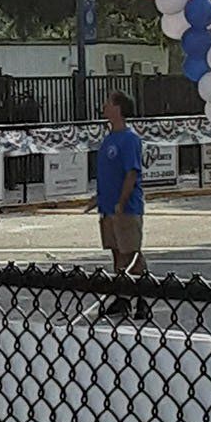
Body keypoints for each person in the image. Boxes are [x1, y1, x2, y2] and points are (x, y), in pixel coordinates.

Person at [84, 91, 149, 320]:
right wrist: (99, 199)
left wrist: (122, 201)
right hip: (107, 207)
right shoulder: (109, 139)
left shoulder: (129, 139)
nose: (104, 106)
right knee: (116, 252)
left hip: (126, 208)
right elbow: (109, 174)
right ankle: (123, 298)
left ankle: (143, 299)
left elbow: (131, 173)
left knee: (131, 254)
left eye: (109, 103)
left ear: (119, 108)